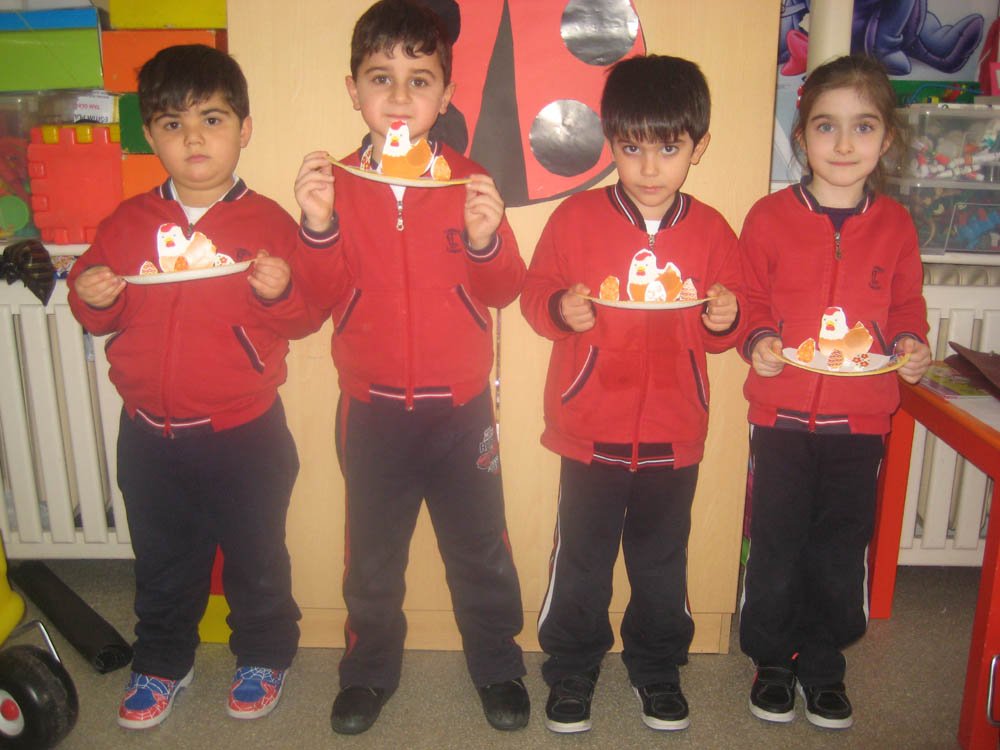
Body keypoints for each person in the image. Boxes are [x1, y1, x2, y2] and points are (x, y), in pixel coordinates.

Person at [291, 0, 529, 735]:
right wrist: (317, 227)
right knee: (372, 558)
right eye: (380, 78)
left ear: (445, 94)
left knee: (481, 550)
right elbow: (312, 302)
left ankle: (498, 665)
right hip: (371, 410)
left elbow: (505, 290)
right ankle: (367, 672)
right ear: (353, 89)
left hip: (460, 411)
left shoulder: (469, 180)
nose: (399, 97)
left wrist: (486, 240)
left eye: (419, 79)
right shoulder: (337, 184)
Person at [68, 44, 315, 729]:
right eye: (172, 124)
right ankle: (161, 660)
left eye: (212, 119)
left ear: (244, 128)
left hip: (246, 432)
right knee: (161, 559)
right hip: (148, 435)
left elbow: (305, 317)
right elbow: (98, 308)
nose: (194, 138)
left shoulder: (268, 222)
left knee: (256, 555)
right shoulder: (127, 222)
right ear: (151, 136)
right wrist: (91, 295)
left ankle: (264, 652)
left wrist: (280, 291)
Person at [519, 54, 745, 734]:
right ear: (610, 144)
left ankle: (657, 666)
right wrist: (560, 309)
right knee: (581, 560)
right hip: (590, 428)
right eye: (631, 147)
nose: (649, 167)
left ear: (699, 147)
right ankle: (571, 667)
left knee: (661, 562)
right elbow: (535, 295)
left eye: (669, 148)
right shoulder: (576, 219)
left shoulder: (712, 230)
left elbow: (728, 324)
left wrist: (725, 318)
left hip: (676, 432)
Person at [738, 54, 932, 731]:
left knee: (840, 549)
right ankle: (772, 661)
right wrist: (760, 339)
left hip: (861, 423)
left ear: (886, 139)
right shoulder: (768, 217)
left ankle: (823, 663)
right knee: (776, 544)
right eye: (826, 126)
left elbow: (906, 305)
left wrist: (911, 345)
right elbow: (750, 298)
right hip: (782, 418)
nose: (844, 144)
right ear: (802, 137)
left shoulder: (896, 225)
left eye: (863, 126)